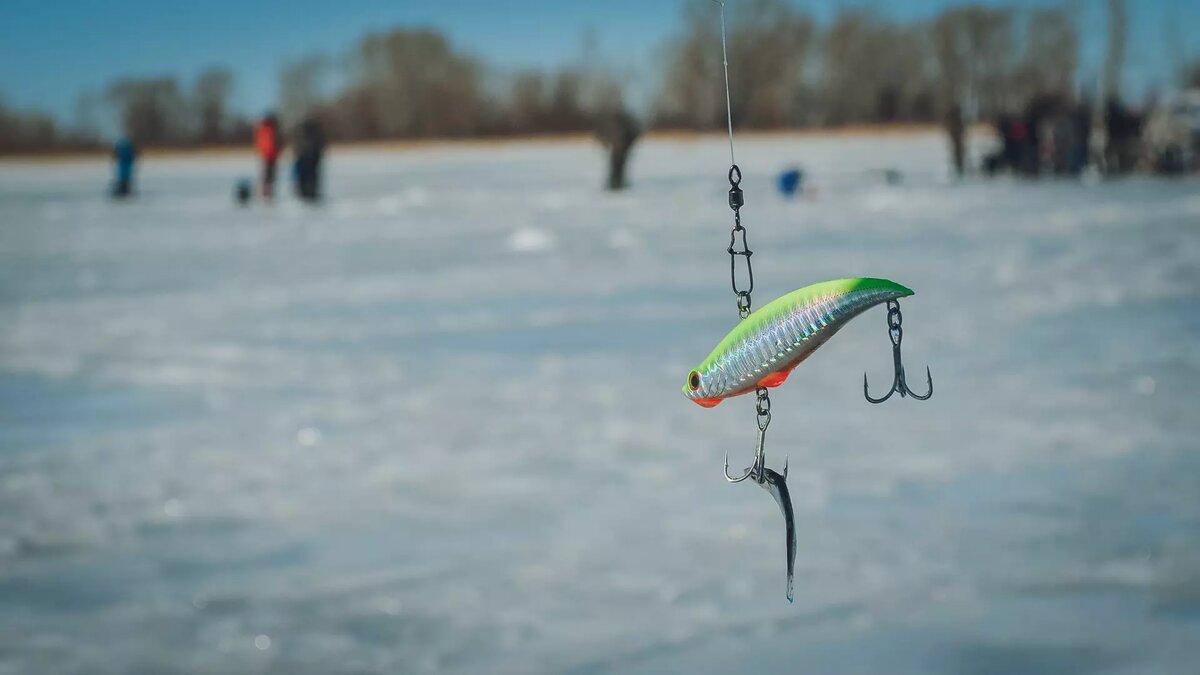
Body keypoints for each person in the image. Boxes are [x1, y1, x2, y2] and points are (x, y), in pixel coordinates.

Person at [596, 107, 640, 191]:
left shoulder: (625, 125)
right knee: (615, 166)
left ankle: (617, 183)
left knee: (619, 166)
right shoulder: (612, 124)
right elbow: (602, 135)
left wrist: (627, 145)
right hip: (617, 149)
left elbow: (632, 135)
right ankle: (614, 183)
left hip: (621, 149)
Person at [293, 116, 326, 202]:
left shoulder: (302, 133)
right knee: (311, 176)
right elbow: (321, 145)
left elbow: (298, 146)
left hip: (306, 158)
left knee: (306, 176)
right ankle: (309, 192)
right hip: (310, 158)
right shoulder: (315, 133)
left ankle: (307, 193)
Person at [254, 113, 283, 199]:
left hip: (269, 155)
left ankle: (267, 192)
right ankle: (266, 193)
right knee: (268, 175)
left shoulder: (263, 129)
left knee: (269, 175)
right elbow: (269, 143)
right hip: (268, 155)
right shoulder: (268, 130)